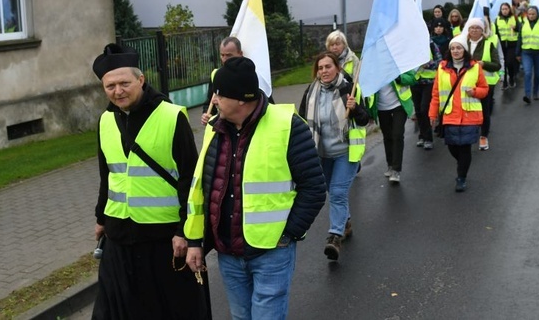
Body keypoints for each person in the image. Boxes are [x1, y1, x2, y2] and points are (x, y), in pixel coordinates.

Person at [185, 57, 326, 320]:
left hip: (271, 251)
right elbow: (204, 189)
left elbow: (315, 187)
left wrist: (288, 234)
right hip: (227, 251)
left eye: (219, 94)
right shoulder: (214, 128)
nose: (214, 100)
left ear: (240, 99)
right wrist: (195, 241)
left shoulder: (288, 126)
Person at [91, 43, 210, 319]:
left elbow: (191, 182)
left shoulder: (171, 116)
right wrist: (100, 218)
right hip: (119, 235)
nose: (117, 91)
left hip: (164, 239)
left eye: (124, 83)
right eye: (110, 86)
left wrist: (186, 233)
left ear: (141, 80)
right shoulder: (105, 120)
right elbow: (106, 174)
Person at [299, 52, 369, 261]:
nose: (324, 71)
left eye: (328, 67)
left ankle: (334, 236)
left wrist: (355, 108)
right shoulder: (311, 91)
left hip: (345, 151)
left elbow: (365, 119)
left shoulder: (349, 88)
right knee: (332, 191)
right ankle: (345, 222)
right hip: (321, 153)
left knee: (338, 192)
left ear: (337, 68)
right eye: (320, 68)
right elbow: (302, 121)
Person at [429, 36, 488, 192]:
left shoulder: (475, 67)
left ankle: (461, 177)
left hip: (470, 115)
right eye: (453, 48)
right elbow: (436, 93)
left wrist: (475, 91)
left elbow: (484, 89)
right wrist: (432, 114)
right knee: (453, 147)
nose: (456, 51)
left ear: (465, 50)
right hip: (450, 115)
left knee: (465, 148)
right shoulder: (442, 68)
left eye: (459, 48)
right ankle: (462, 164)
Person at [369, 70, 416, 184]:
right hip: (381, 107)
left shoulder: (399, 61)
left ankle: (396, 169)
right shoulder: (373, 65)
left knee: (397, 134)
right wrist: (370, 112)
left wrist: (398, 77)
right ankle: (390, 165)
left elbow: (412, 79)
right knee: (388, 136)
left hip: (399, 105)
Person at [466, 17, 500, 151]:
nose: (474, 30)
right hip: (467, 83)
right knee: (469, 108)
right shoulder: (463, 44)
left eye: (477, 28)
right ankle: (471, 133)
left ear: (482, 30)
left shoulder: (488, 44)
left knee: (484, 111)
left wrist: (484, 64)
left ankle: (484, 136)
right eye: (472, 28)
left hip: (485, 83)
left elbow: (497, 65)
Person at [201, 37, 244, 126]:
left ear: (240, 54)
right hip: (222, 127)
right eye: (222, 55)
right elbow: (209, 102)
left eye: (229, 55)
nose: (224, 59)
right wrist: (206, 115)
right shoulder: (215, 75)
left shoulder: (249, 76)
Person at [410, 40, 443, 150]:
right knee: (418, 111)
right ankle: (422, 135)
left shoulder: (431, 44)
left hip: (429, 83)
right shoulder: (409, 45)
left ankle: (428, 138)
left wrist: (427, 64)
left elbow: (440, 63)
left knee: (425, 109)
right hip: (415, 82)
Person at [517, 6, 539, 104]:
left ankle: (535, 92)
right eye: (529, 14)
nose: (531, 16)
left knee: (537, 74)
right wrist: (517, 53)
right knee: (527, 73)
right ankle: (527, 95)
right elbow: (520, 39)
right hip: (526, 52)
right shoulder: (523, 23)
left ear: (537, 15)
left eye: (533, 14)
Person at [494, 2, 519, 90]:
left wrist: (515, 28)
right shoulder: (497, 19)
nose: (504, 11)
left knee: (509, 62)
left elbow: (520, 29)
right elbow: (496, 32)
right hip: (501, 44)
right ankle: (504, 81)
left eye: (506, 9)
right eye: (503, 9)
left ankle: (511, 77)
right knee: (502, 64)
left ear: (509, 10)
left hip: (512, 44)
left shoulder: (514, 18)